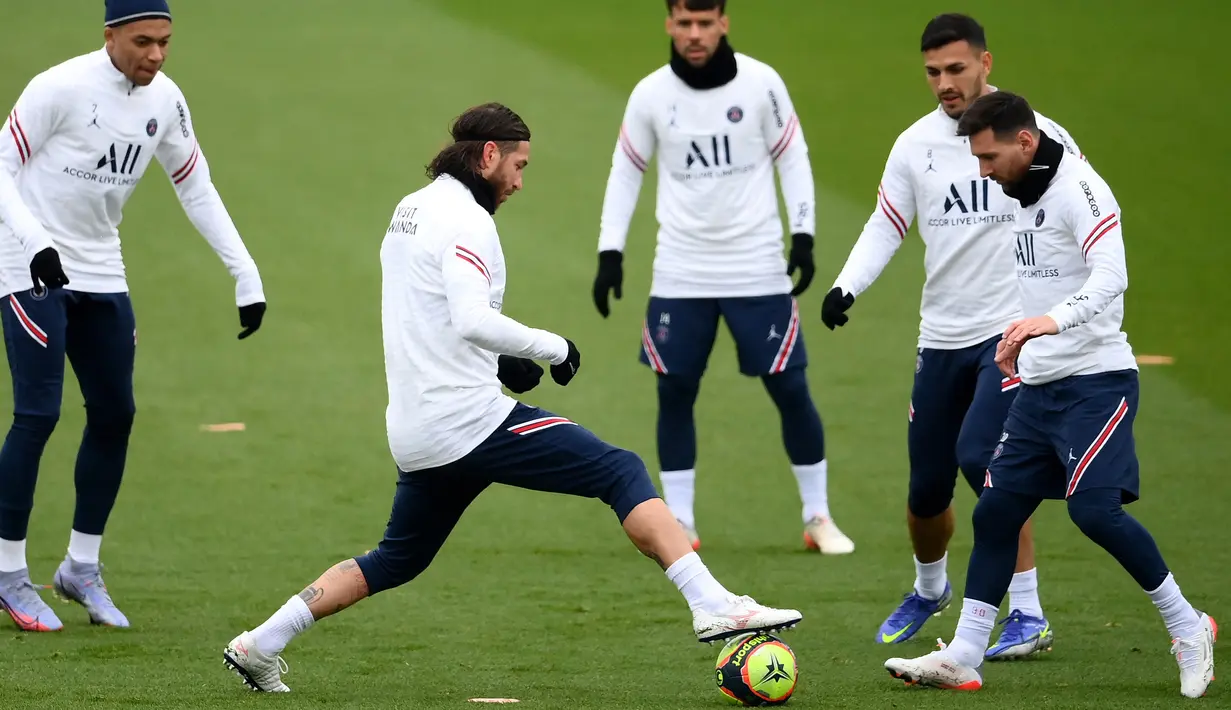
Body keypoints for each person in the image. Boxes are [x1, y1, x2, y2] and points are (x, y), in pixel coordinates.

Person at [222, 103, 802, 694]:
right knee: (619, 470)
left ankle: (259, 643)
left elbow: (430, 310)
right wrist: (554, 347)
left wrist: (504, 360)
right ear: (488, 155)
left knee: (397, 560)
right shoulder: (470, 222)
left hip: (416, 428)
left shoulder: (410, 208)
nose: (521, 182)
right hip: (468, 421)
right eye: (518, 166)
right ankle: (712, 604)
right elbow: (472, 318)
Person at [884, 90, 1217, 698]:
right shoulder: (1018, 190)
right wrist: (1016, 334)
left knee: (1095, 511)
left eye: (989, 158)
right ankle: (963, 652)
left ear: (1025, 143)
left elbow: (1112, 276)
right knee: (996, 514)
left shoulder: (1079, 190)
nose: (982, 173)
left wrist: (1048, 323)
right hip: (1039, 384)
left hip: (1096, 381)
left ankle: (1188, 626)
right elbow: (1036, 277)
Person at [0, 0, 266, 632]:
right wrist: (34, 241)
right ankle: (9, 574)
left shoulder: (165, 100)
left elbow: (194, 184)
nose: (156, 55)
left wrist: (244, 269)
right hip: (26, 262)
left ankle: (79, 568)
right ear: (110, 35)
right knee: (38, 413)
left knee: (116, 412)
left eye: (165, 42)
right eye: (143, 41)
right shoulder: (58, 87)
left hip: (99, 267)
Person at [825, 14, 1084, 657]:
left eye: (956, 69)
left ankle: (1027, 612)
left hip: (1010, 335)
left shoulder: (1038, 137)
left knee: (987, 460)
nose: (944, 83)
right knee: (925, 489)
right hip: (940, 335)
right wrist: (846, 286)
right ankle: (929, 587)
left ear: (986, 63)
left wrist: (1065, 311)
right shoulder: (914, 145)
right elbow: (887, 224)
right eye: (933, 72)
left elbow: (1086, 212)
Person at [591, 0, 853, 555]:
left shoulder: (761, 84)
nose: (694, 34)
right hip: (680, 270)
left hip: (757, 267)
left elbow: (794, 158)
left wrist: (803, 234)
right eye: (683, 23)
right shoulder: (651, 94)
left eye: (704, 24)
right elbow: (625, 171)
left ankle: (818, 517)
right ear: (668, 23)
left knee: (789, 387)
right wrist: (609, 251)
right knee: (675, 391)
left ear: (723, 23)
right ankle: (680, 523)